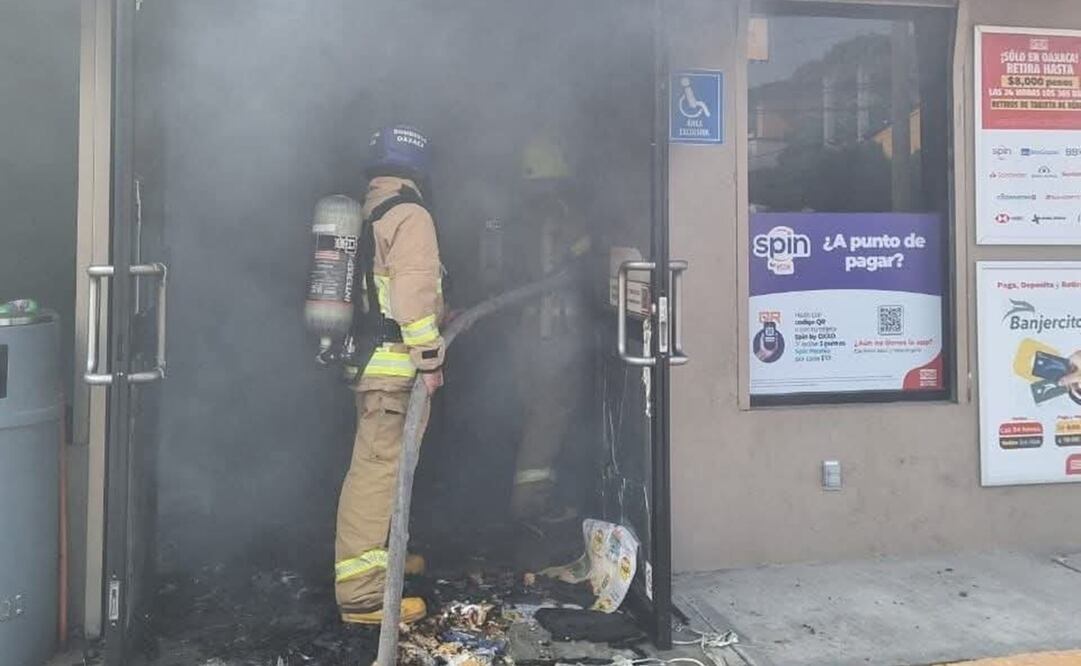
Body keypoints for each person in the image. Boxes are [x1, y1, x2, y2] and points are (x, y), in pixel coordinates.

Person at [334, 125, 445, 625]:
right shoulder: (410, 215)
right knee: (377, 474)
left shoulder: (369, 212)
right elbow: (412, 295)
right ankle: (361, 593)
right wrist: (429, 358)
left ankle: (387, 560)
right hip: (394, 368)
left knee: (382, 468)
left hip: (370, 363)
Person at [509, 134, 593, 528]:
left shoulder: (518, 215)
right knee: (549, 416)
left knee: (536, 413)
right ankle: (532, 507)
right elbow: (585, 263)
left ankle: (535, 498)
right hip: (554, 331)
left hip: (526, 332)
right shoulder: (560, 214)